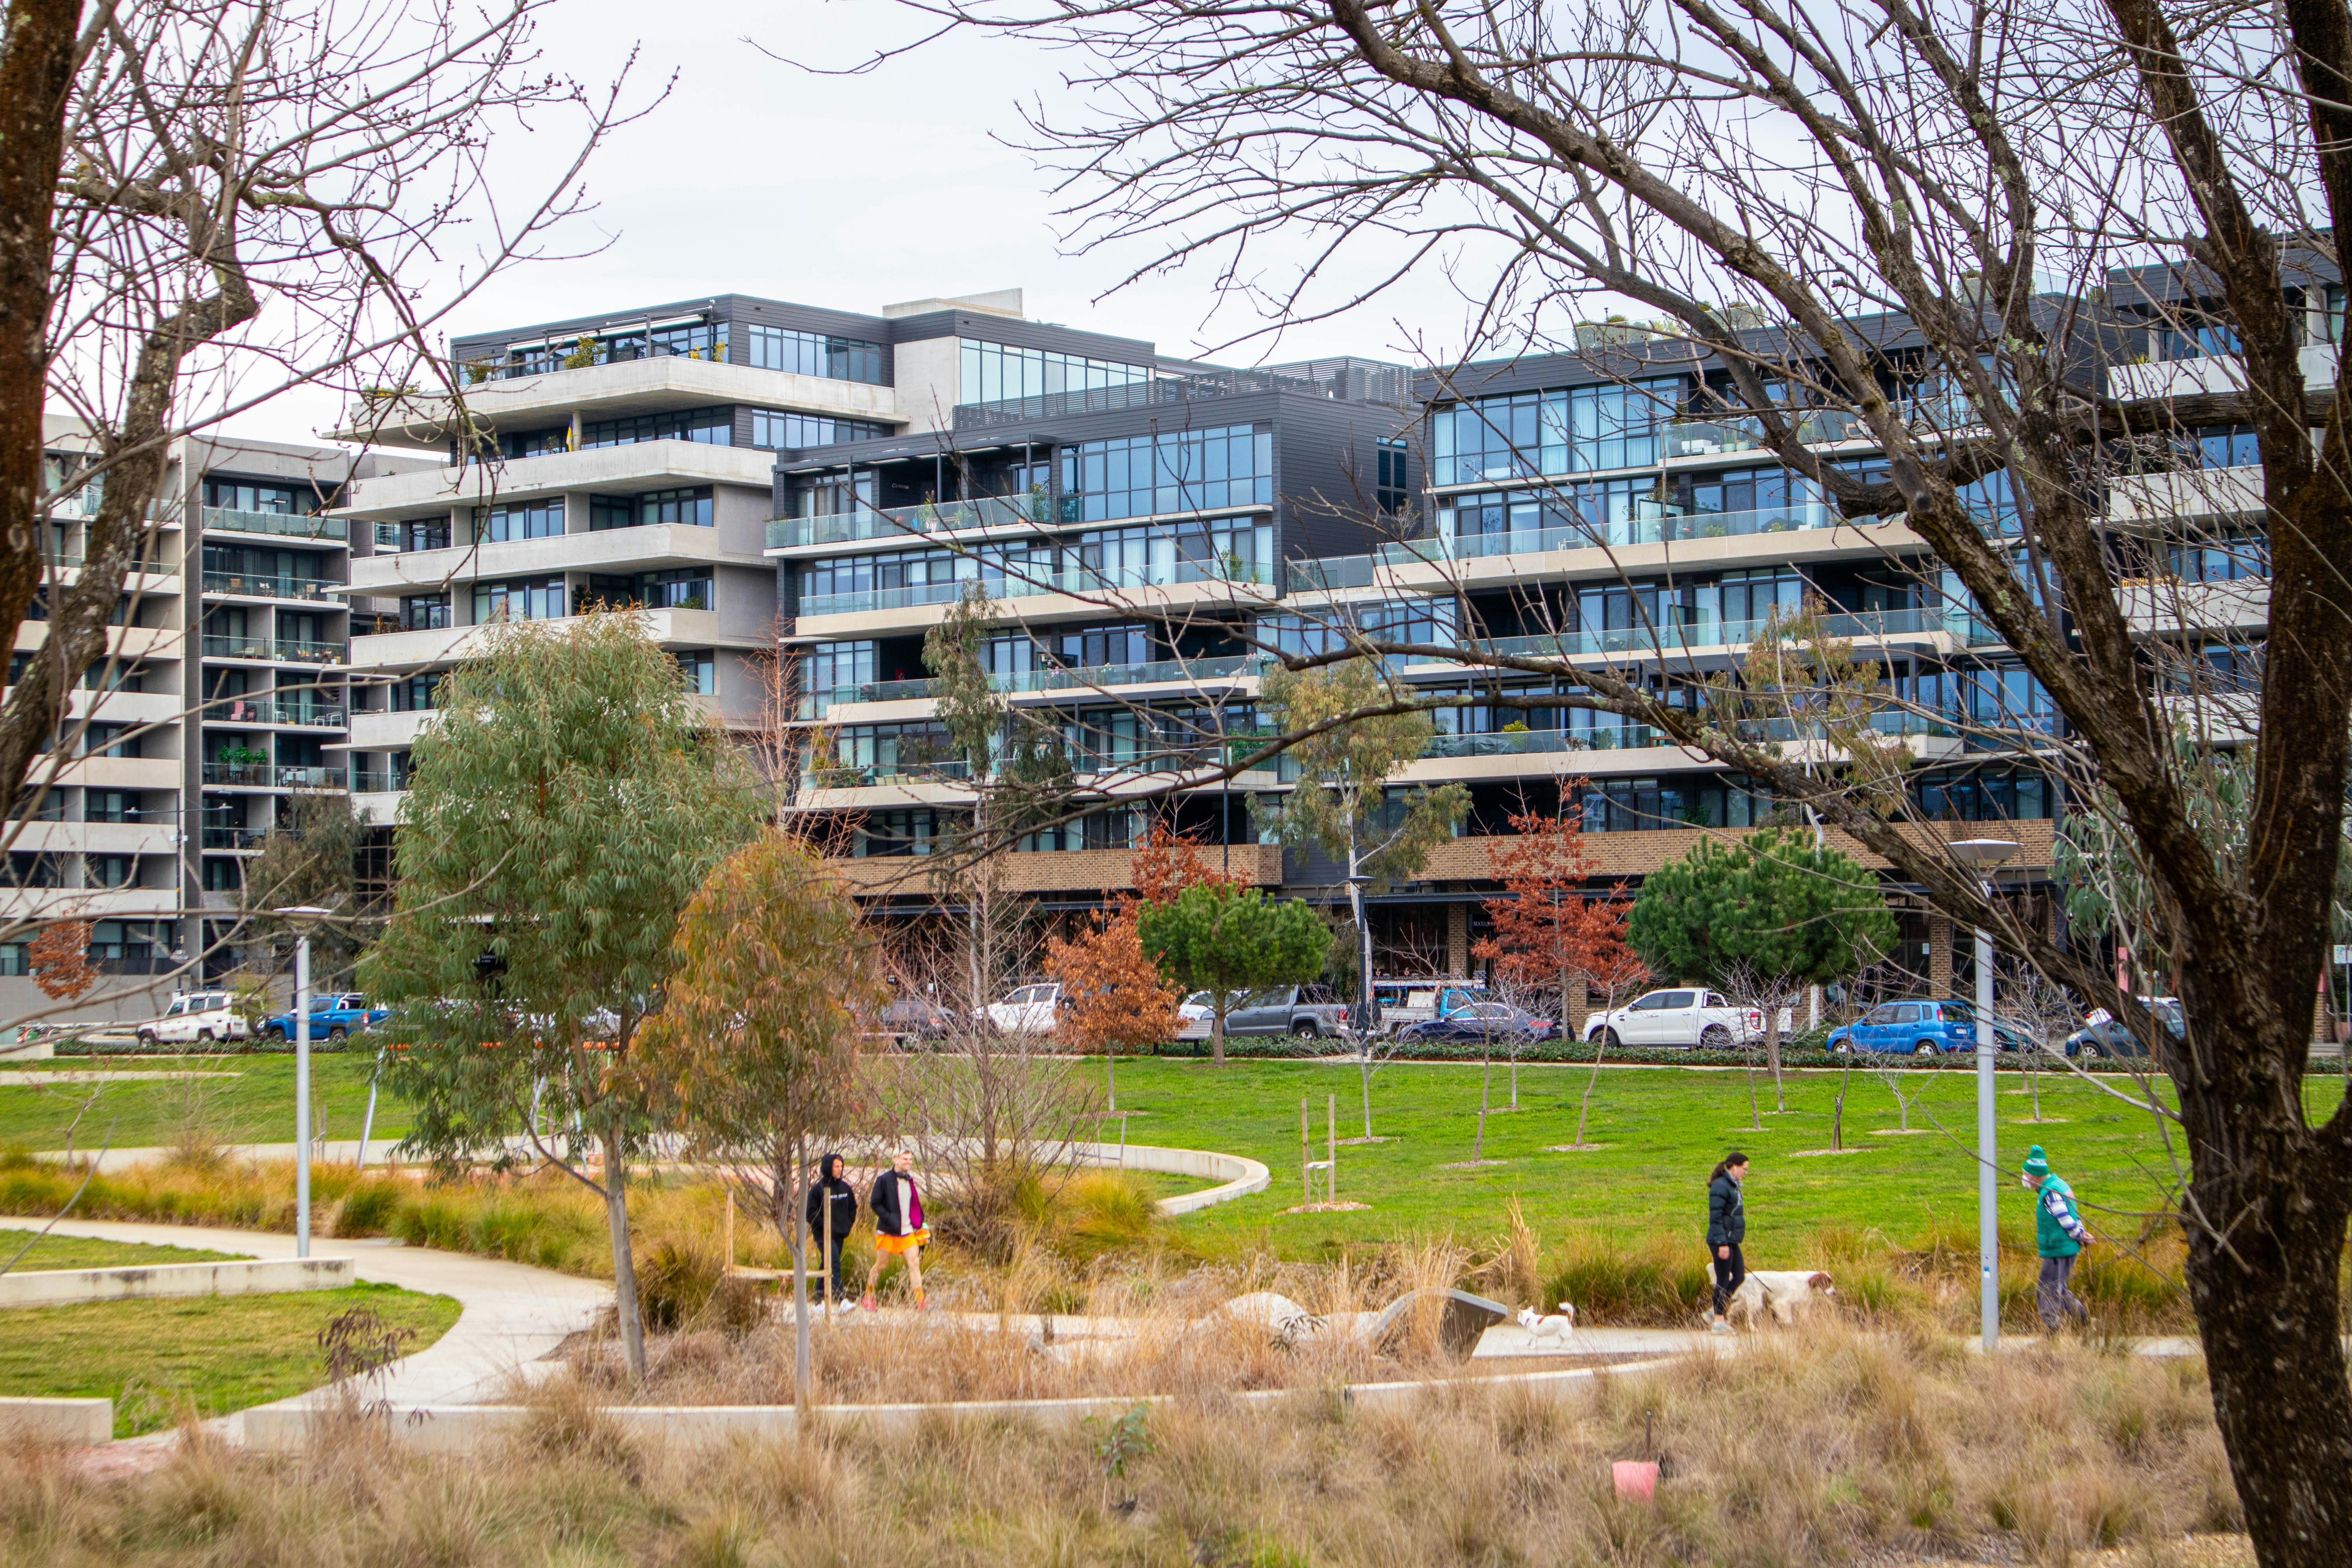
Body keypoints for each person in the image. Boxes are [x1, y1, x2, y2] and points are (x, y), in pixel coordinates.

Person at [2022, 1144, 2093, 1329]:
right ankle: (2085, 1324)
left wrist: (2080, 1235)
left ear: (2036, 1175)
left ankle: (2053, 1333)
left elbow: (2065, 1219)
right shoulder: (2059, 1185)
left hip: (2059, 1249)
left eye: (2026, 1174)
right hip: (2066, 1247)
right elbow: (2075, 1214)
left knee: (2046, 1291)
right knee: (2060, 1290)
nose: (2024, 1178)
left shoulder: (2050, 1194)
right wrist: (2082, 1233)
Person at [862, 1149, 931, 1312]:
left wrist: (920, 1223)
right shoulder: (884, 1180)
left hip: (908, 1232)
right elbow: (875, 1203)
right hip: (888, 1231)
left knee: (914, 1263)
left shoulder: (910, 1181)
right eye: (905, 1159)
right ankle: (868, 1297)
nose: (909, 1162)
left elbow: (914, 1205)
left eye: (910, 1159)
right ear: (895, 1160)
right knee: (881, 1265)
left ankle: (920, 1301)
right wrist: (890, 1218)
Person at [804, 1152, 859, 1310]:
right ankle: (842, 1301)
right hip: (824, 1236)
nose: (840, 1169)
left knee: (826, 1265)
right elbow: (810, 1214)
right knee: (834, 1264)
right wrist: (827, 1227)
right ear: (829, 1168)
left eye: (841, 1166)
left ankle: (817, 1302)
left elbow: (853, 1209)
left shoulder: (845, 1188)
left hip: (840, 1235)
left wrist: (847, 1226)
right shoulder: (818, 1190)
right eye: (837, 1166)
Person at [1706, 1151, 1748, 1335]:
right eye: (1744, 1169)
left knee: (1739, 1276)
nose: (1746, 1173)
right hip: (1721, 1241)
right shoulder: (1721, 1187)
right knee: (1723, 1280)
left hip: (1731, 1240)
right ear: (1734, 1167)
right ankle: (1718, 1322)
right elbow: (1715, 1219)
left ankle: (1715, 1311)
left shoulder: (1733, 1186)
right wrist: (1722, 1244)